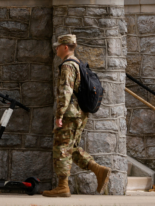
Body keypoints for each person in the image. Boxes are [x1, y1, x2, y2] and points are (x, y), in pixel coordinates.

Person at [43, 34, 111, 197]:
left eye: (58, 46)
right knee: (71, 148)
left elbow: (65, 91)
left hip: (69, 114)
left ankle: (62, 187)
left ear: (65, 47)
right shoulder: (78, 63)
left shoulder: (68, 65)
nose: (56, 49)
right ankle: (98, 170)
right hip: (80, 114)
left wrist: (59, 114)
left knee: (61, 148)